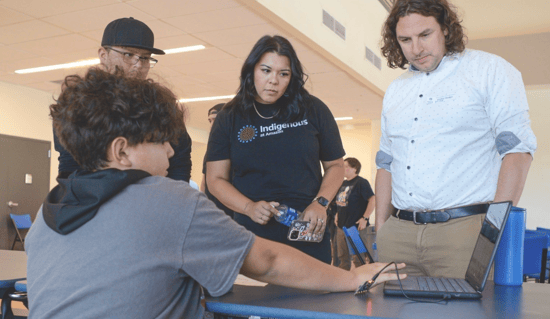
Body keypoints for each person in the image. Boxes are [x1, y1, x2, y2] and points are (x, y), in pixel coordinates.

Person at [25, 68, 405, 319]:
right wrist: (353, 278)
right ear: (121, 151)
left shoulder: (48, 212)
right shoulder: (166, 200)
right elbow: (267, 260)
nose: (172, 152)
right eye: (161, 142)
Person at [375, 0, 537, 278]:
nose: (416, 48)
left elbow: (517, 152)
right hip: (398, 233)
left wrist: (494, 230)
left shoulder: (489, 70)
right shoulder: (395, 90)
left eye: (425, 35)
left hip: (465, 231)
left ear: (446, 30)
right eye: (405, 39)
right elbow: (386, 163)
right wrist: (380, 229)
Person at [206, 35, 345, 264]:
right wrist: (248, 207)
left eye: (283, 74)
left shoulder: (313, 109)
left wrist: (320, 203)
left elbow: (336, 166)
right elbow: (216, 179)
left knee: (312, 299)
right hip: (252, 232)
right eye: (266, 70)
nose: (274, 81)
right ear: (252, 70)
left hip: (307, 228)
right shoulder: (229, 117)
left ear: (292, 77)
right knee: (255, 299)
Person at [53, 17, 192, 181]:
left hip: (153, 198)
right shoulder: (77, 103)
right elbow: (69, 168)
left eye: (145, 58)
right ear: (103, 55)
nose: (138, 65)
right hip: (94, 198)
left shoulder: (162, 106)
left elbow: (180, 164)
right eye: (128, 54)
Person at [334, 158, 376, 270]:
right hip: (341, 226)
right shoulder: (343, 183)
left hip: (355, 227)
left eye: (346, 166)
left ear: (355, 168)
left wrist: (365, 218)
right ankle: (344, 284)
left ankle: (360, 284)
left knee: (359, 258)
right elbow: (341, 202)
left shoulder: (361, 182)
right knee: (342, 258)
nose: (343, 169)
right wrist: (337, 214)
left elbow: (372, 199)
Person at [201, 103, 234, 218]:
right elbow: (204, 182)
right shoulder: (212, 149)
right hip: (213, 210)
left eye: (215, 120)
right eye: (210, 121)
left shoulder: (238, 148)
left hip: (233, 210)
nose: (211, 125)